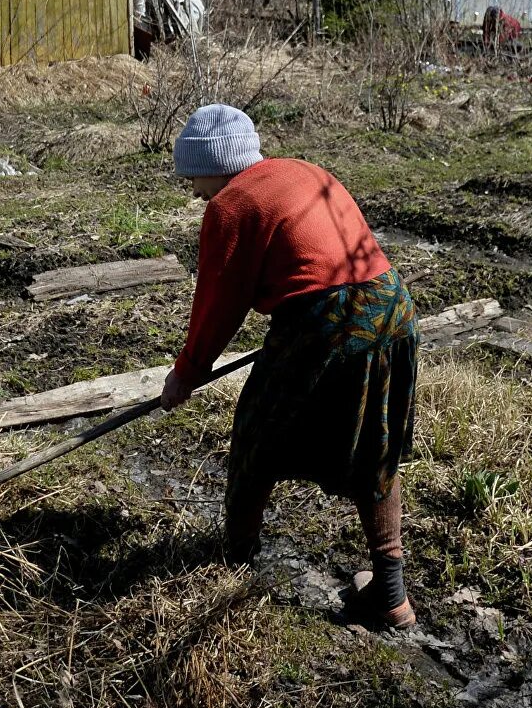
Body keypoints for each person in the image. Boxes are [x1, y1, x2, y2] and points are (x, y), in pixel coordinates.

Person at [160, 103, 419, 630]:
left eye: (194, 177)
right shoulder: (303, 172)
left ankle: (233, 560)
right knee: (378, 445)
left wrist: (186, 373)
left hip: (328, 321)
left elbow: (218, 306)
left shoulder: (230, 205)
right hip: (392, 308)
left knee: (257, 434)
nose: (193, 191)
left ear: (216, 164)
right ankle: (391, 596)